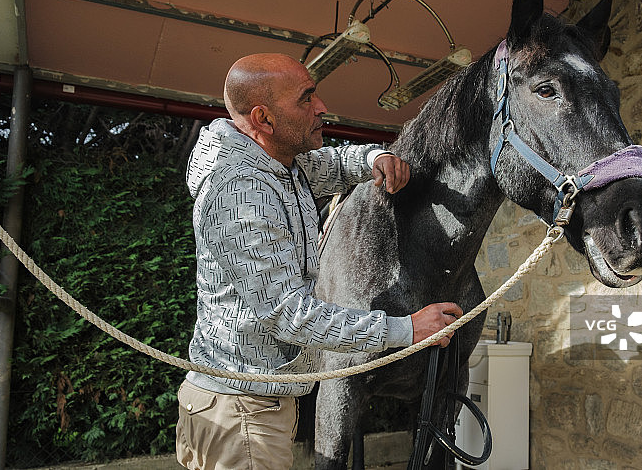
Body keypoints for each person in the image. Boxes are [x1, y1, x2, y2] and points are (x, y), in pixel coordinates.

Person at [176, 53, 463, 470]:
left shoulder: (274, 160)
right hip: (241, 415)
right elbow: (289, 315)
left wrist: (373, 159)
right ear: (263, 118)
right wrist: (407, 329)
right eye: (306, 98)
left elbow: (329, 164)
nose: (322, 106)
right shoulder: (243, 195)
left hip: (251, 406)